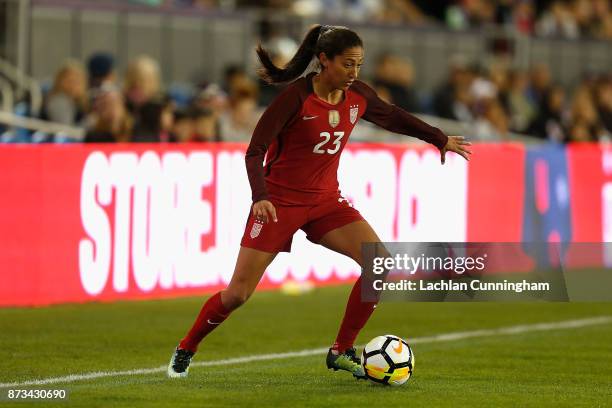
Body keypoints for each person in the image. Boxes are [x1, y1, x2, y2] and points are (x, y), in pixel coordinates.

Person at [167, 24, 471, 379]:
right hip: (279, 204)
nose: (354, 73)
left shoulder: (357, 95)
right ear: (323, 60)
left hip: (326, 201)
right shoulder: (294, 99)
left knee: (379, 264)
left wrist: (437, 138)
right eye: (347, 65)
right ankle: (187, 346)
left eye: (359, 65)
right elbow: (255, 152)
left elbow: (392, 116)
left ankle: (341, 350)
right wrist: (260, 197)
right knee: (238, 294)